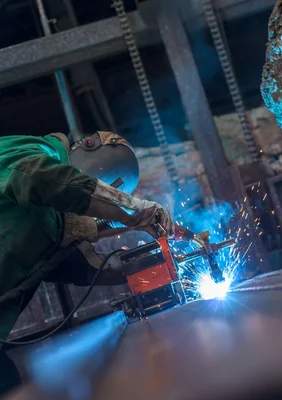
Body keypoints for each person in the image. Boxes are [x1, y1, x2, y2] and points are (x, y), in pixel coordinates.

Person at [0, 131, 175, 396]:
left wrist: (139, 266)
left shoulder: (50, 217)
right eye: (105, 190)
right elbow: (44, 177)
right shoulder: (35, 152)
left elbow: (71, 265)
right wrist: (128, 208)